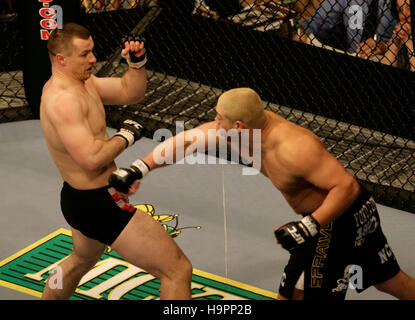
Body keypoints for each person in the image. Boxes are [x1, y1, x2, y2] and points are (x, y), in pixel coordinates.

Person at [109, 87, 415, 300]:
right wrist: (140, 168)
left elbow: (346, 187)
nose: (213, 122)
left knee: (296, 295)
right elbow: (187, 142)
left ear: (238, 125)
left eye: (218, 118)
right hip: (343, 216)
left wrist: (309, 225)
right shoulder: (242, 131)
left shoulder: (294, 148)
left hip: (335, 221)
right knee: (391, 282)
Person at [39, 22, 192, 300]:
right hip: (98, 204)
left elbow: (128, 91)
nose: (94, 59)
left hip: (81, 199)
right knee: (177, 270)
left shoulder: (85, 84)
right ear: (61, 59)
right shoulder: (63, 100)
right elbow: (91, 158)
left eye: (92, 51)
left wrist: (136, 64)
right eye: (85, 54)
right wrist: (127, 135)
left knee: (79, 261)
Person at [295, 0, 397, 56]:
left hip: (386, 59)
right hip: (353, 55)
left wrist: (383, 46)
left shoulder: (398, 3)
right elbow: (319, 19)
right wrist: (303, 31)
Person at [381, 0, 414, 71]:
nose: (404, 15)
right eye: (400, 10)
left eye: (409, 7)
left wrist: (409, 43)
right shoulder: (403, 34)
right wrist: (395, 41)